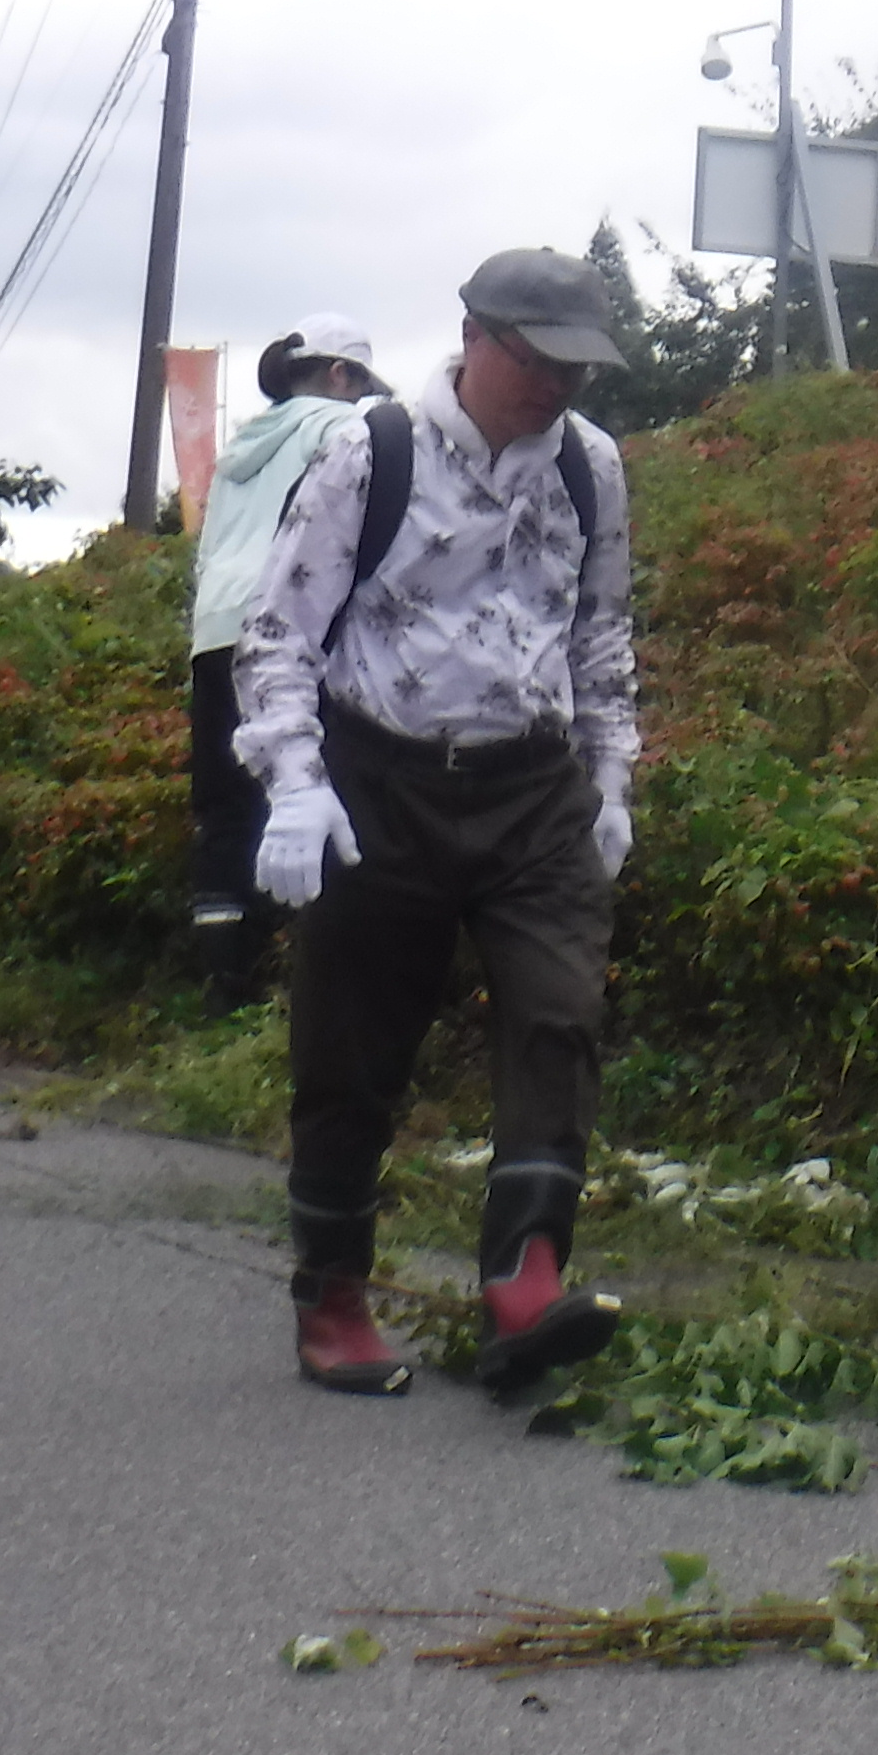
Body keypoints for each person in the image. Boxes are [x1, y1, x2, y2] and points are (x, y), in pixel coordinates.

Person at [235, 248, 639, 1400]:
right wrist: (296, 781)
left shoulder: (591, 467)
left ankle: (524, 1283)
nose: (556, 387)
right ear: (475, 338)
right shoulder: (372, 452)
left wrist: (612, 775)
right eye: (537, 361)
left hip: (535, 789)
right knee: (350, 1049)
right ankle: (333, 1294)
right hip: (381, 782)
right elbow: (278, 633)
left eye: (577, 369)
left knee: (559, 1016)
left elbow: (602, 631)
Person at [183, 316, 384, 992]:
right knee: (306, 788)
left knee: (225, 806)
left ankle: (223, 981)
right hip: (289, 628)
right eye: (361, 384)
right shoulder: (344, 430)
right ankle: (299, 981)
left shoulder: (240, 448)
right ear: (340, 374)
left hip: (215, 630)